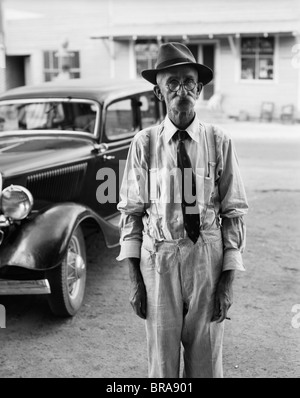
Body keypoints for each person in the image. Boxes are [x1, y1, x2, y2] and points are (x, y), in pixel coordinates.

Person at [117, 42, 248, 378]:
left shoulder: (219, 141)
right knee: (162, 365)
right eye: (171, 83)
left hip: (207, 258)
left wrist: (228, 282)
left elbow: (233, 215)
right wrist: (134, 280)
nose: (181, 91)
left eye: (188, 81)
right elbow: (131, 214)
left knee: (206, 361)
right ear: (159, 92)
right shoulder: (144, 143)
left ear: (200, 89)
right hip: (158, 258)